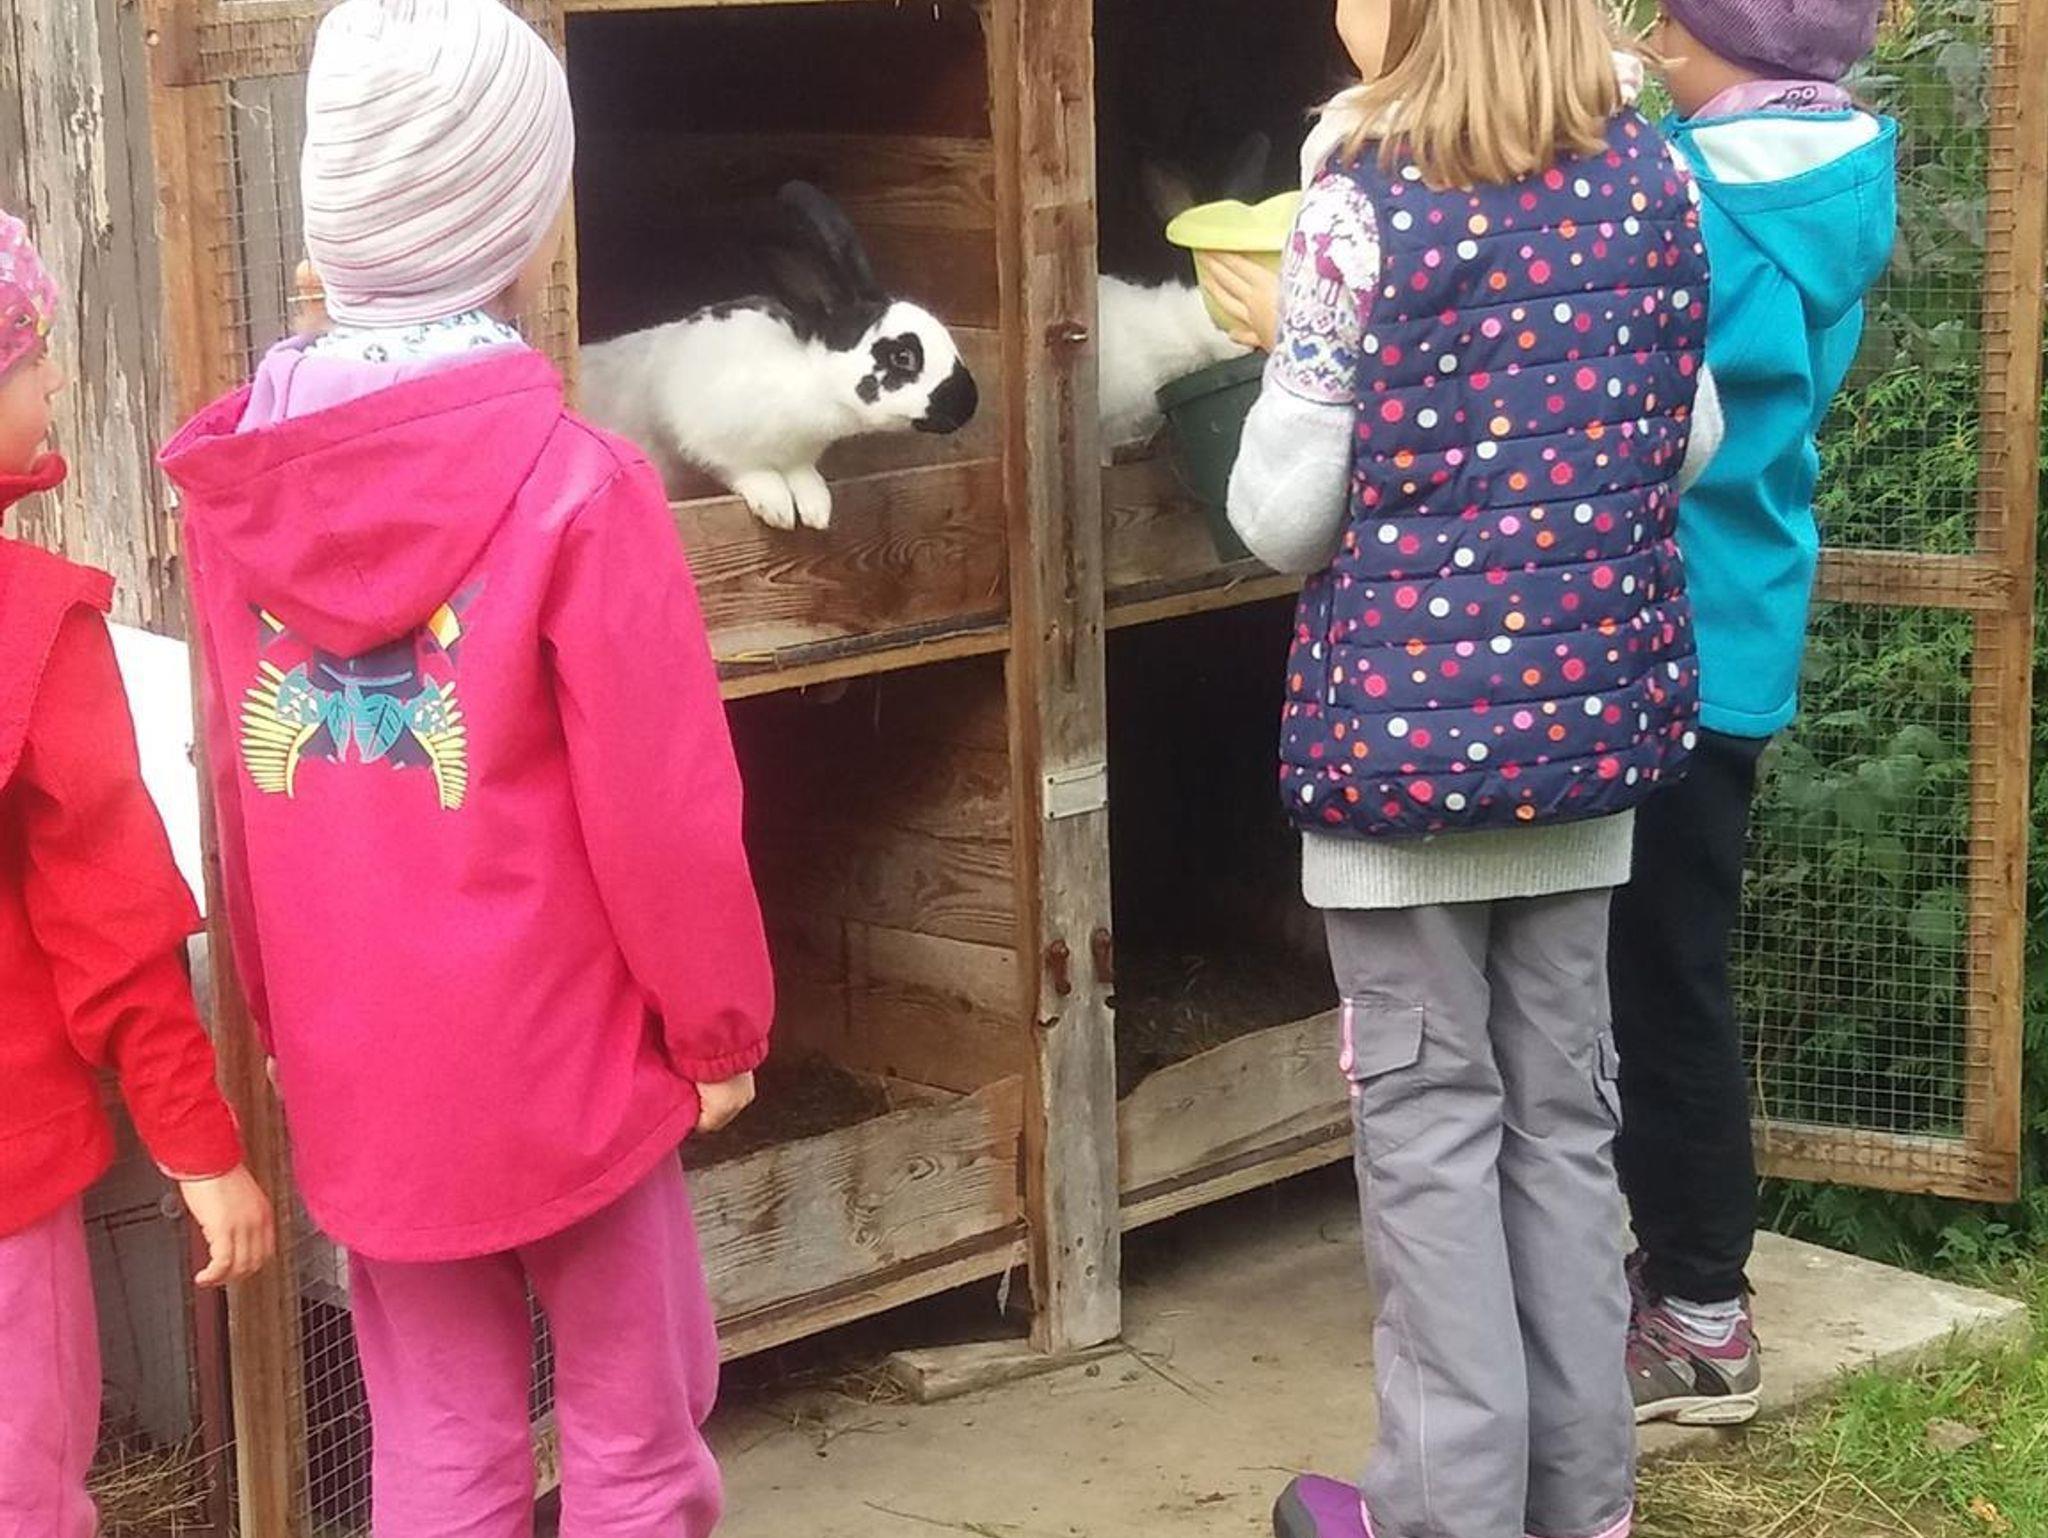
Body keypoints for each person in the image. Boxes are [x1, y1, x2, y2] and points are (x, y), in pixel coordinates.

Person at [159, 3, 775, 1534]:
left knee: (438, 1449)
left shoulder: (243, 503)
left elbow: (241, 792)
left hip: (367, 1077)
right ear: (520, 221)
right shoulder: (580, 486)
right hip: (577, 1075)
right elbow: (664, 807)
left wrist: (276, 1024)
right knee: (634, 1437)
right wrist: (716, 1025)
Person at [1204, 1, 1721, 1533]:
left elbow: (1280, 518)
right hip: (1584, 756)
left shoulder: (1352, 210)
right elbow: (1688, 434)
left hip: (1402, 780)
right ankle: (1586, 1503)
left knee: (1430, 1134)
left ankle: (1445, 1510)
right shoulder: (1654, 177)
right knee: (1563, 1123)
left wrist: (1287, 357)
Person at [1609, 0, 1895, 1426]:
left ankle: (1702, 1313)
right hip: (1744, 614)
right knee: (1670, 961)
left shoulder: (1684, 192)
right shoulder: (1835, 180)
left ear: (1718, 42)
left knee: (1656, 981)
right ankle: (1674, 1271)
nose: (1652, 35)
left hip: (1655, 625)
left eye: (1671, 20)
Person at [0, 208, 274, 1538]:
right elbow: (111, 928)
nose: (56, 375)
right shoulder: (34, 623)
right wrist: (202, 1147)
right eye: (28, 352)